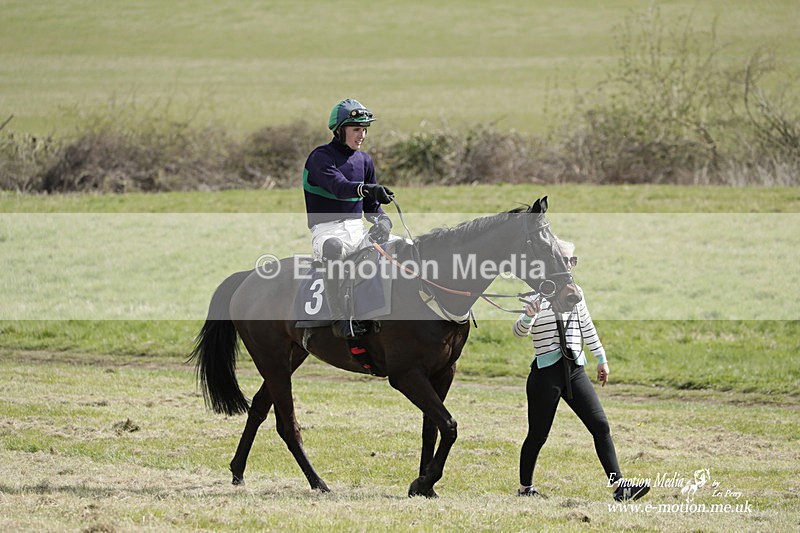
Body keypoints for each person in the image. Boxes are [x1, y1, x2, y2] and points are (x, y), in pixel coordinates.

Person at [512, 239, 649, 502]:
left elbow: (586, 325)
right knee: (538, 435)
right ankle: (525, 488)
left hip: (575, 370)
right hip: (545, 374)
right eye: (566, 260)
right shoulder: (534, 295)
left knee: (600, 425)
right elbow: (518, 331)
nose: (570, 265)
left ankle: (620, 486)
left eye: (573, 260)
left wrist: (601, 357)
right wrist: (529, 316)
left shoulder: (576, 293)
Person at [303, 98, 395, 341]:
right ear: (339, 130)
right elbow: (339, 187)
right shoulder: (320, 157)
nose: (362, 135)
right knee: (333, 248)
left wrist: (384, 222)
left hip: (358, 231)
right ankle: (340, 318)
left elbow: (372, 209)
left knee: (402, 247)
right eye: (356, 129)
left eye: (364, 129)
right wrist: (367, 189)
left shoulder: (364, 161)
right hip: (327, 232)